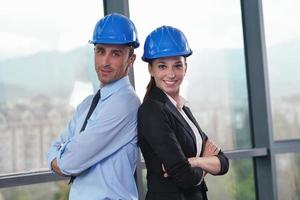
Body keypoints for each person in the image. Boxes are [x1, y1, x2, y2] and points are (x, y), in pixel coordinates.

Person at [46, 13, 141, 200]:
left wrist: (60, 155)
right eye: (100, 51)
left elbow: (68, 163)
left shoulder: (126, 103)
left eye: (115, 53)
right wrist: (61, 154)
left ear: (130, 60)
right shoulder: (87, 104)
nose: (105, 62)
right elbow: (56, 145)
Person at [137, 25, 229, 200]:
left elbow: (223, 162)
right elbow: (184, 176)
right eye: (162, 66)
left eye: (177, 66)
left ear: (185, 67)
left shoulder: (183, 109)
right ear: (151, 69)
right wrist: (205, 162)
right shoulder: (152, 110)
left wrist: (195, 161)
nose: (171, 74)